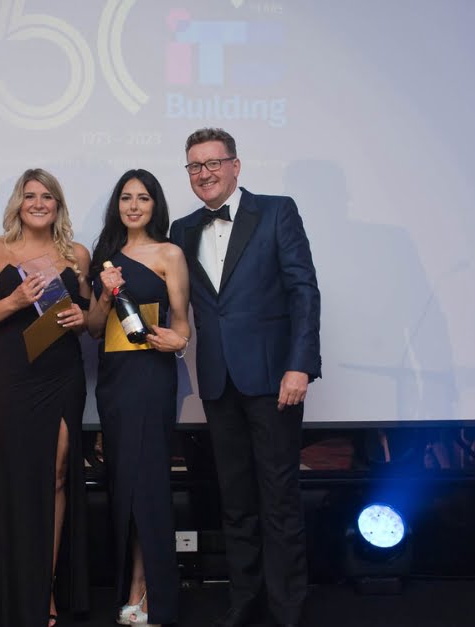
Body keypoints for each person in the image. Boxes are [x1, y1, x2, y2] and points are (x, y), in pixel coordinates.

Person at [169, 128, 321, 627]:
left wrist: (300, 364)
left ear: (236, 165)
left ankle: (288, 607)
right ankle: (244, 600)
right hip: (218, 381)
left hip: (275, 378)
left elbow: (303, 290)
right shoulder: (181, 229)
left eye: (213, 162)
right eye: (194, 166)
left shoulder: (277, 211)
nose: (204, 173)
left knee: (278, 498)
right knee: (234, 501)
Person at [0, 168, 91, 627]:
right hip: (11, 375)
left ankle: (46, 588)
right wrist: (16, 301)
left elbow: (94, 320)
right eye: (30, 196)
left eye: (48, 197)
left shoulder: (76, 254)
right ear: (19, 203)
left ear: (58, 205)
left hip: (61, 373)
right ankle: (11, 591)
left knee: (58, 473)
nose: (39, 203)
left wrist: (84, 316)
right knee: (16, 479)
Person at [85, 169, 189, 627]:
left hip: (152, 375)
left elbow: (183, 323)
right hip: (113, 380)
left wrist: (176, 342)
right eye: (126, 198)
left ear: (154, 205)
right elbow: (92, 328)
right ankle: (133, 586)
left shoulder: (169, 253)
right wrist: (106, 297)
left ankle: (151, 594)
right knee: (123, 487)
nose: (133, 206)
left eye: (142, 198)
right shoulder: (105, 259)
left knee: (148, 488)